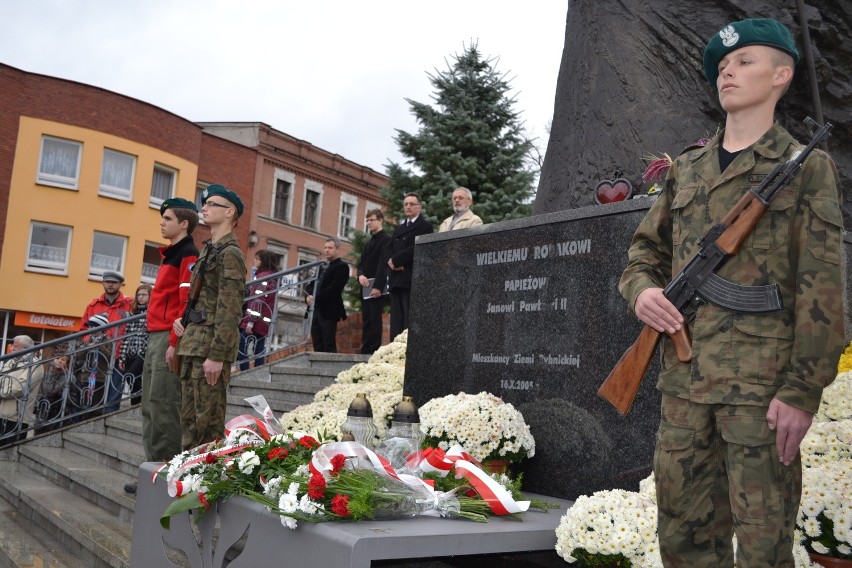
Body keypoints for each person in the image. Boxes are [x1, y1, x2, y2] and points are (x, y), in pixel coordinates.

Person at [618, 18, 845, 566]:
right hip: (684, 388)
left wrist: (801, 392)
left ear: (782, 76)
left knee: (764, 549)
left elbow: (824, 291)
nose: (729, 71)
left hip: (761, 395)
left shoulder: (805, 168)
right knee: (681, 540)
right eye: (722, 66)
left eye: (745, 62)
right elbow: (643, 254)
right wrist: (644, 292)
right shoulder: (687, 169)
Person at [127, 198, 199, 494]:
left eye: (167, 218)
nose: (162, 222)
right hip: (155, 334)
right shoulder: (171, 253)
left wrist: (174, 341)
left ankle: (165, 475)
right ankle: (151, 471)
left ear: (184, 223)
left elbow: (186, 302)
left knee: (164, 406)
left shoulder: (188, 253)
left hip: (166, 337)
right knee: (150, 406)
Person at [174, 184, 246, 450]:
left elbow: (230, 309)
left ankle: (202, 485)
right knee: (190, 421)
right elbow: (200, 297)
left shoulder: (230, 254)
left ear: (229, 212)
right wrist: (183, 322)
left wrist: (216, 355)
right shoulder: (209, 250)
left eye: (211, 204)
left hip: (209, 349)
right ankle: (186, 478)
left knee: (207, 425)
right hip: (194, 342)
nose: (203, 207)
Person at [382, 192, 434, 340]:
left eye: (412, 204)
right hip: (395, 279)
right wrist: (391, 262)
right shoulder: (399, 228)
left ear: (420, 207)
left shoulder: (425, 226)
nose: (408, 207)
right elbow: (387, 248)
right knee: (396, 322)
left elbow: (417, 247)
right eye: (405, 204)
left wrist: (397, 260)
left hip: (410, 279)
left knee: (408, 321)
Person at [80, 271, 132, 414]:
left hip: (118, 354)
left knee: (114, 392)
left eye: (114, 282)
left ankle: (109, 416)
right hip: (96, 356)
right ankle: (91, 418)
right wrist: (88, 342)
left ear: (120, 285)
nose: (110, 285)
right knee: (93, 392)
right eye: (107, 281)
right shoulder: (93, 305)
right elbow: (83, 329)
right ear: (103, 283)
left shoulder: (129, 304)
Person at [238, 249, 280, 370]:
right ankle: (258, 371)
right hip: (264, 321)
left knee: (242, 346)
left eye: (257, 259)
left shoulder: (263, 277)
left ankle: (244, 371)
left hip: (254, 321)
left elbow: (258, 300)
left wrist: (251, 321)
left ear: (264, 261)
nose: (254, 261)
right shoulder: (274, 279)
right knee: (259, 347)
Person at [357, 209, 391, 354]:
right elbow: (361, 262)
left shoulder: (386, 239)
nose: (369, 223)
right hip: (365, 287)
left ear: (381, 220)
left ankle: (372, 349)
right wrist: (360, 275)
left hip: (377, 288)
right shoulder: (369, 242)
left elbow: (383, 264)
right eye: (368, 221)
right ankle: (366, 348)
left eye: (372, 220)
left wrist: (378, 286)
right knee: (367, 319)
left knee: (375, 319)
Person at [306, 238, 349, 353]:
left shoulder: (342, 266)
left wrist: (316, 297)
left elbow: (334, 288)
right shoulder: (322, 266)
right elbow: (311, 284)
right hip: (315, 309)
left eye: (330, 248)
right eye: (325, 248)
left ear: (337, 250)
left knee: (328, 343)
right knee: (317, 344)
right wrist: (309, 295)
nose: (326, 250)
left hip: (329, 310)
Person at [0, 335, 44, 445]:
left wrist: (1, 392)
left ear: (26, 348)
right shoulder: (11, 362)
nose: (12, 348)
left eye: (15, 346)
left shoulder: (35, 365)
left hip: (16, 417)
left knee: (9, 449)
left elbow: (20, 388)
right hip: (1, 413)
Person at [118, 283, 152, 405]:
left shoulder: (152, 313)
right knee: (132, 379)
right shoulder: (133, 313)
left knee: (131, 375)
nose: (141, 297)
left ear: (150, 296)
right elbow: (126, 336)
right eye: (138, 295)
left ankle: (141, 401)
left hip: (143, 351)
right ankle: (136, 403)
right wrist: (122, 357)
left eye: (144, 294)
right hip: (130, 352)